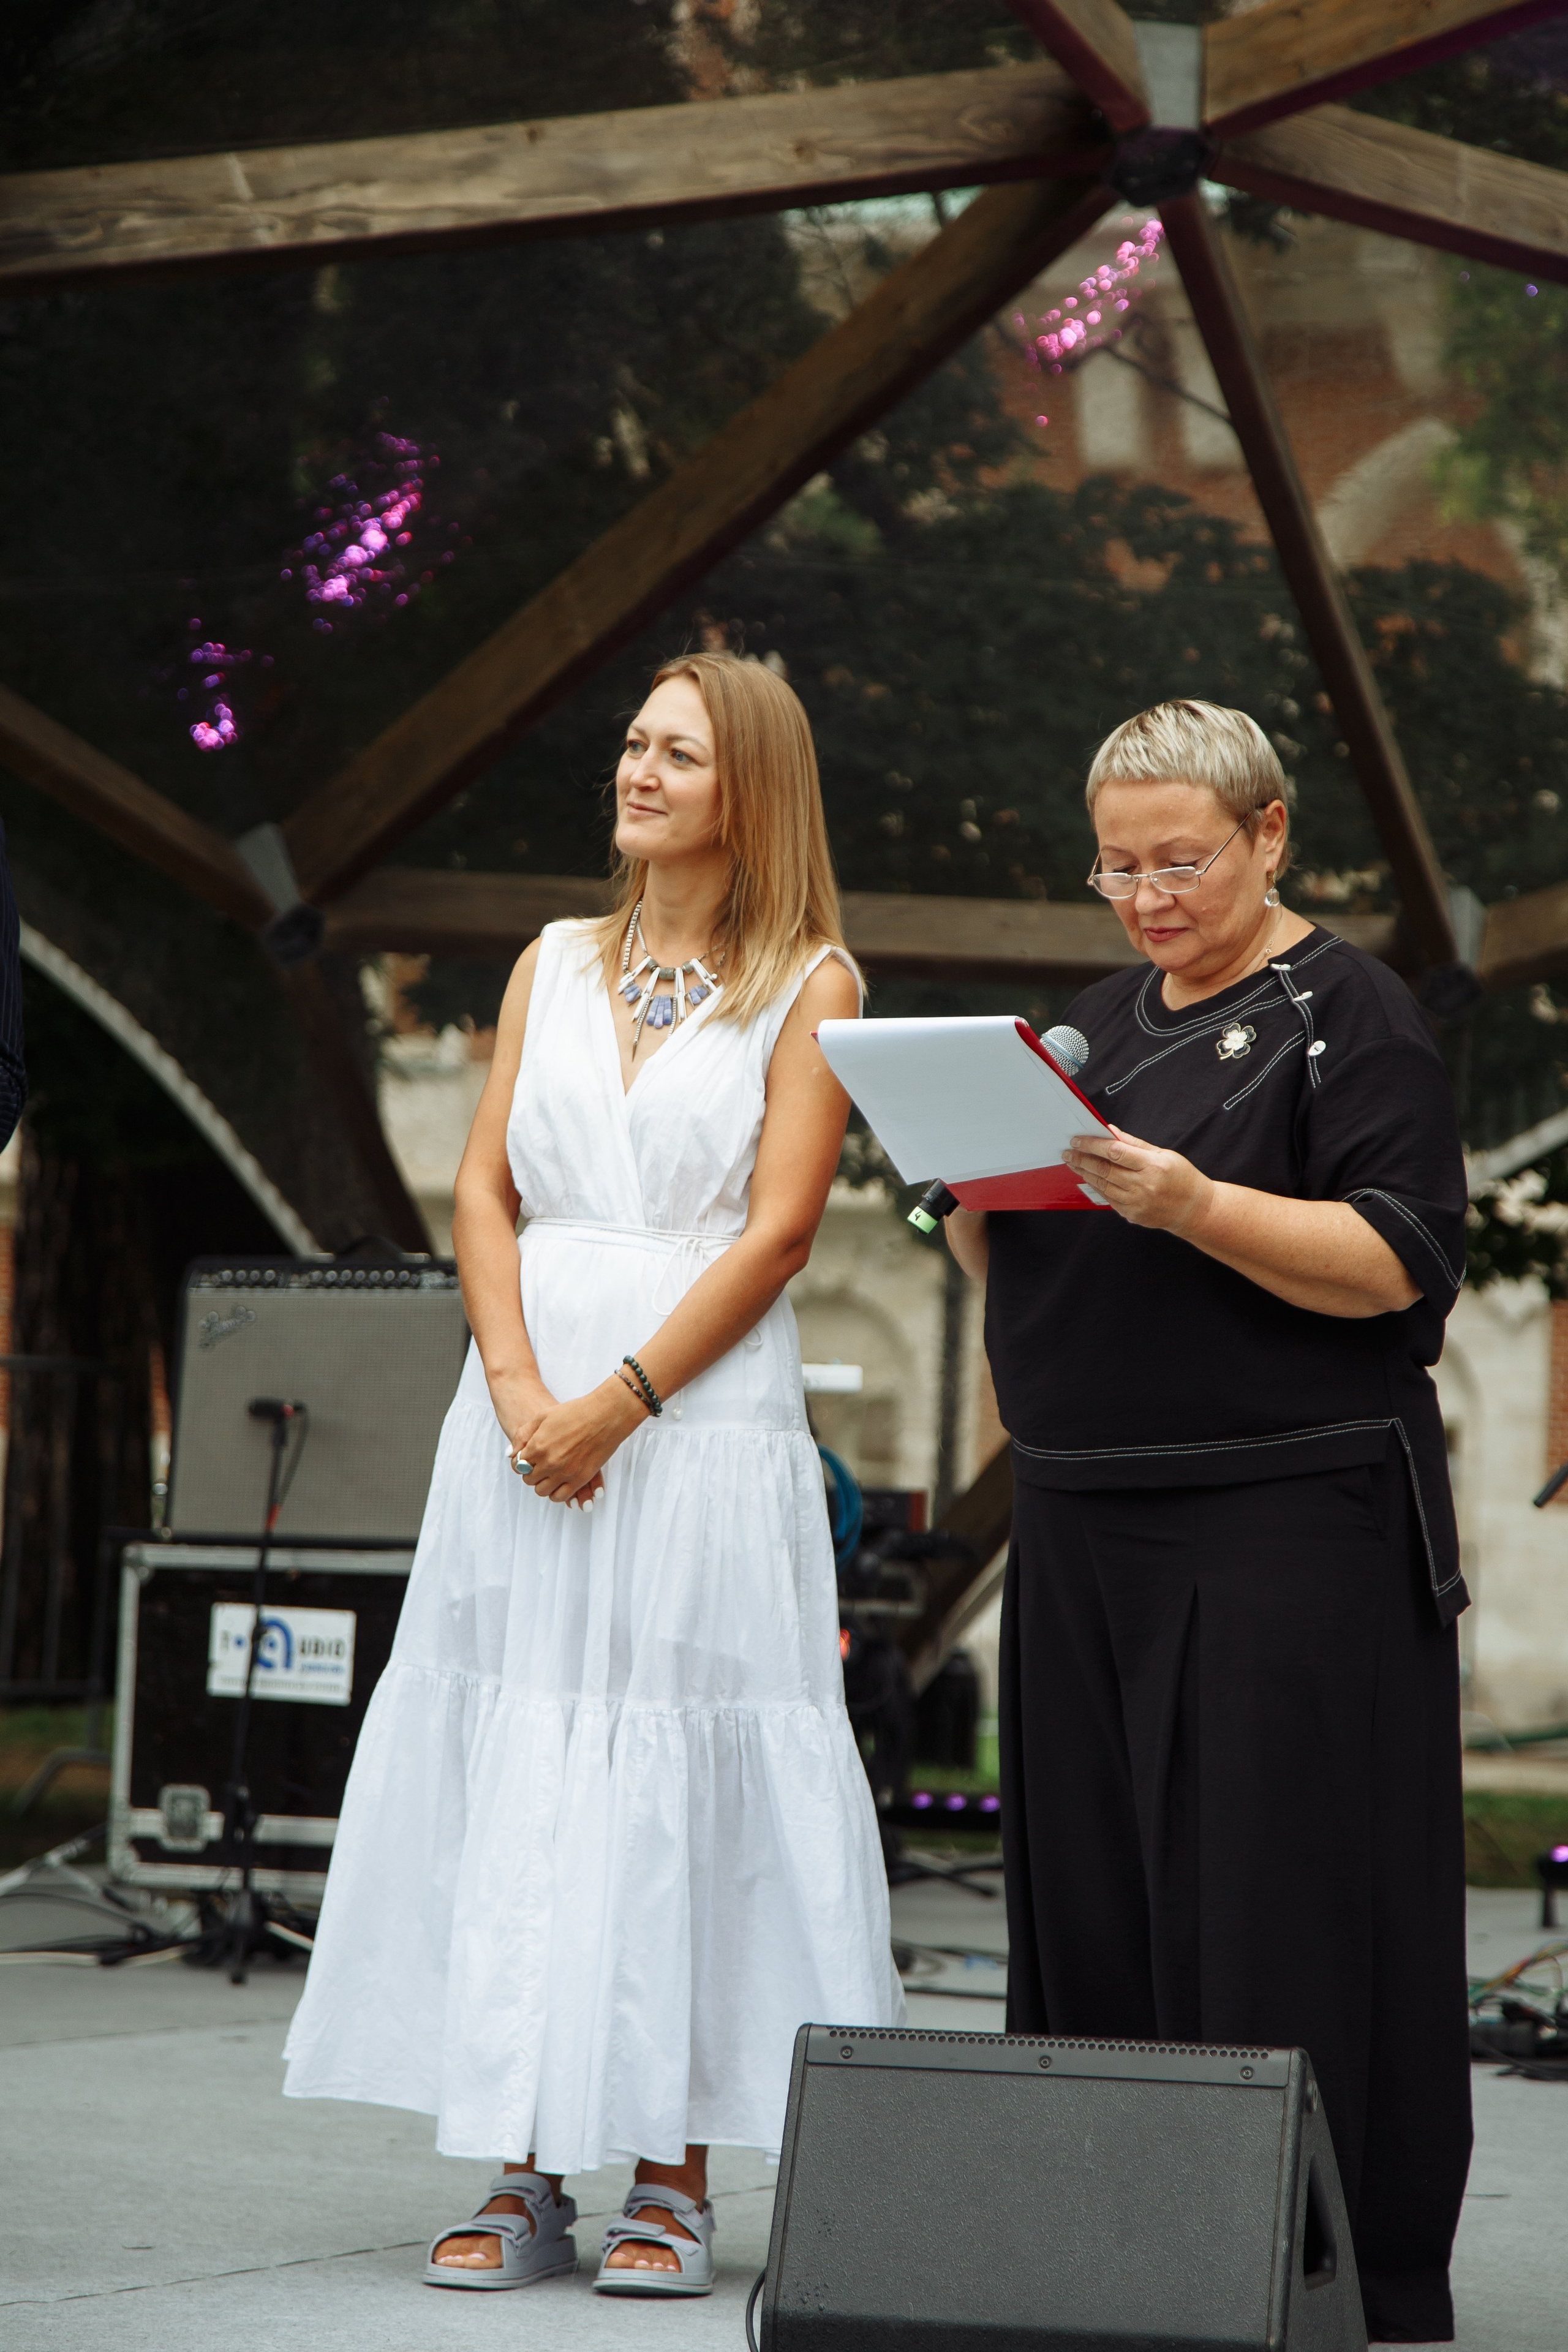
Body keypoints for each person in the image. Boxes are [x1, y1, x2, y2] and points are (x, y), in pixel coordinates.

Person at [283, 650, 902, 2296]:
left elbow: (778, 1233)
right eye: (633, 743)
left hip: (693, 1431)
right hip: (520, 1410)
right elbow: (483, 1190)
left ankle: (676, 2171)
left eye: (677, 752)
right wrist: (514, 1388)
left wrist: (617, 1404)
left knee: (678, 1774)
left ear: (747, 790)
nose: (636, 770)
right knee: (530, 1762)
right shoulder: (552, 960)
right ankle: (521, 2157)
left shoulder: (813, 980)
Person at [945, 701, 1471, 2349]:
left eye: (1180, 861)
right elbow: (1012, 1266)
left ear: (1269, 836)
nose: (1148, 897)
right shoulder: (1095, 1020)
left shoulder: (1351, 1017)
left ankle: (1310, 2274)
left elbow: (1395, 1264)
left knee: (1275, 1903)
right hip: (1089, 1517)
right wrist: (977, 1189)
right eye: (1116, 867)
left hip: (1283, 1523)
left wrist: (1188, 1201)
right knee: (1094, 1906)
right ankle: (1120, 2260)